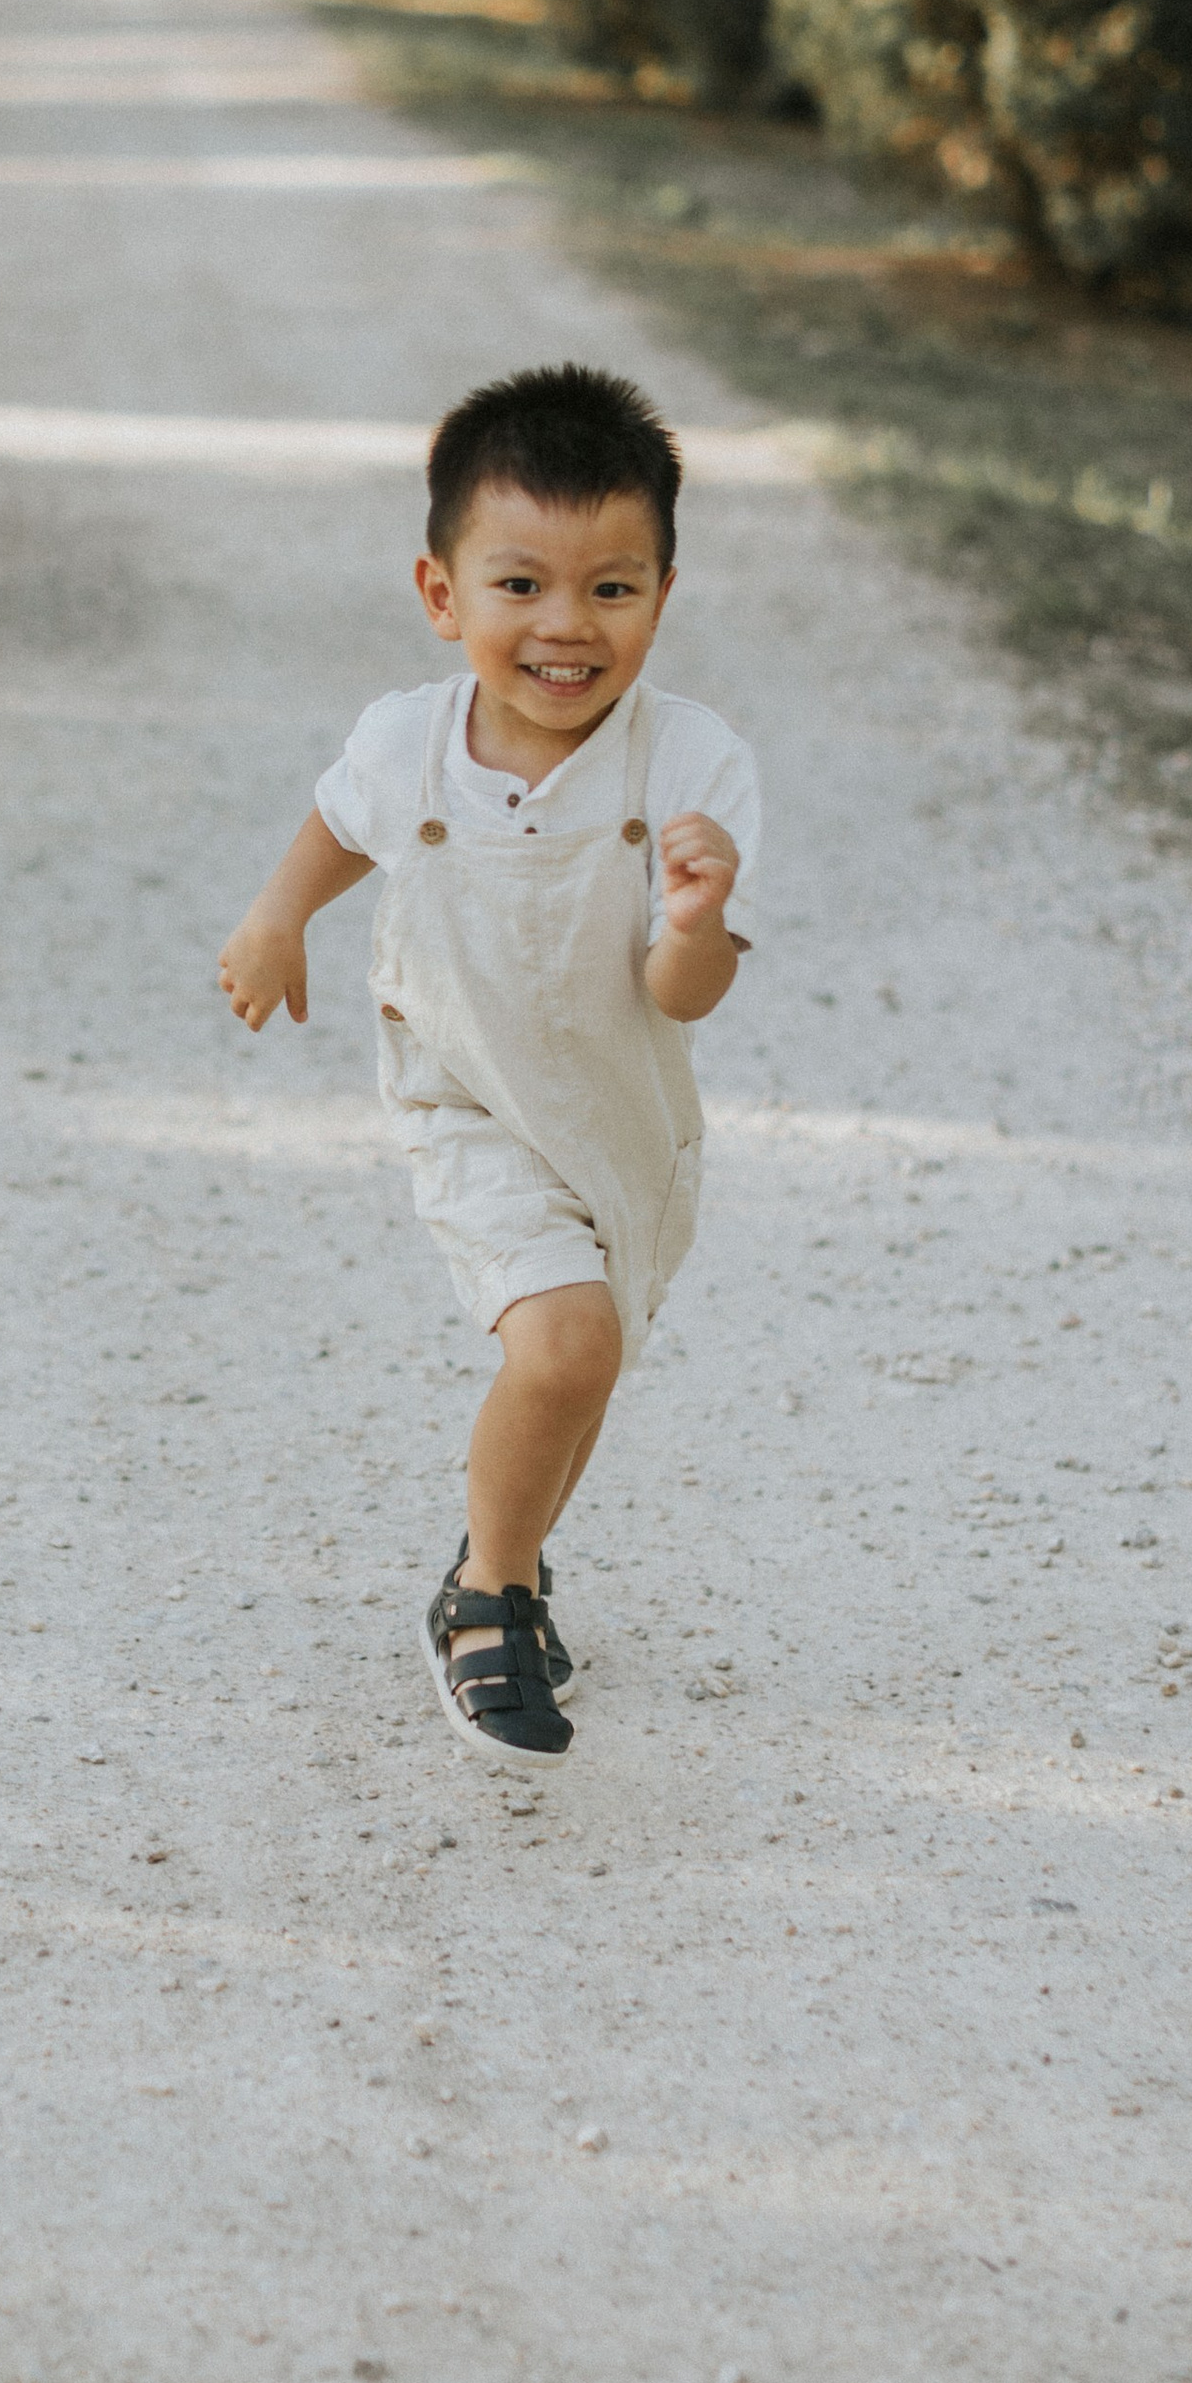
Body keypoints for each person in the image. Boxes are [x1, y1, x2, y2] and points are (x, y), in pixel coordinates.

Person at [217, 364, 759, 1764]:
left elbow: (679, 995)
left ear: (662, 592)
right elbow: (342, 824)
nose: (566, 628)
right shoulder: (412, 741)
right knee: (566, 1341)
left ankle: (504, 1552)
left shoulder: (691, 763)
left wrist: (696, 918)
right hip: (465, 1090)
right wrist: (279, 918)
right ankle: (491, 1597)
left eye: (613, 589)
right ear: (442, 594)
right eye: (520, 586)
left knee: (585, 1367)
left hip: (629, 1117)